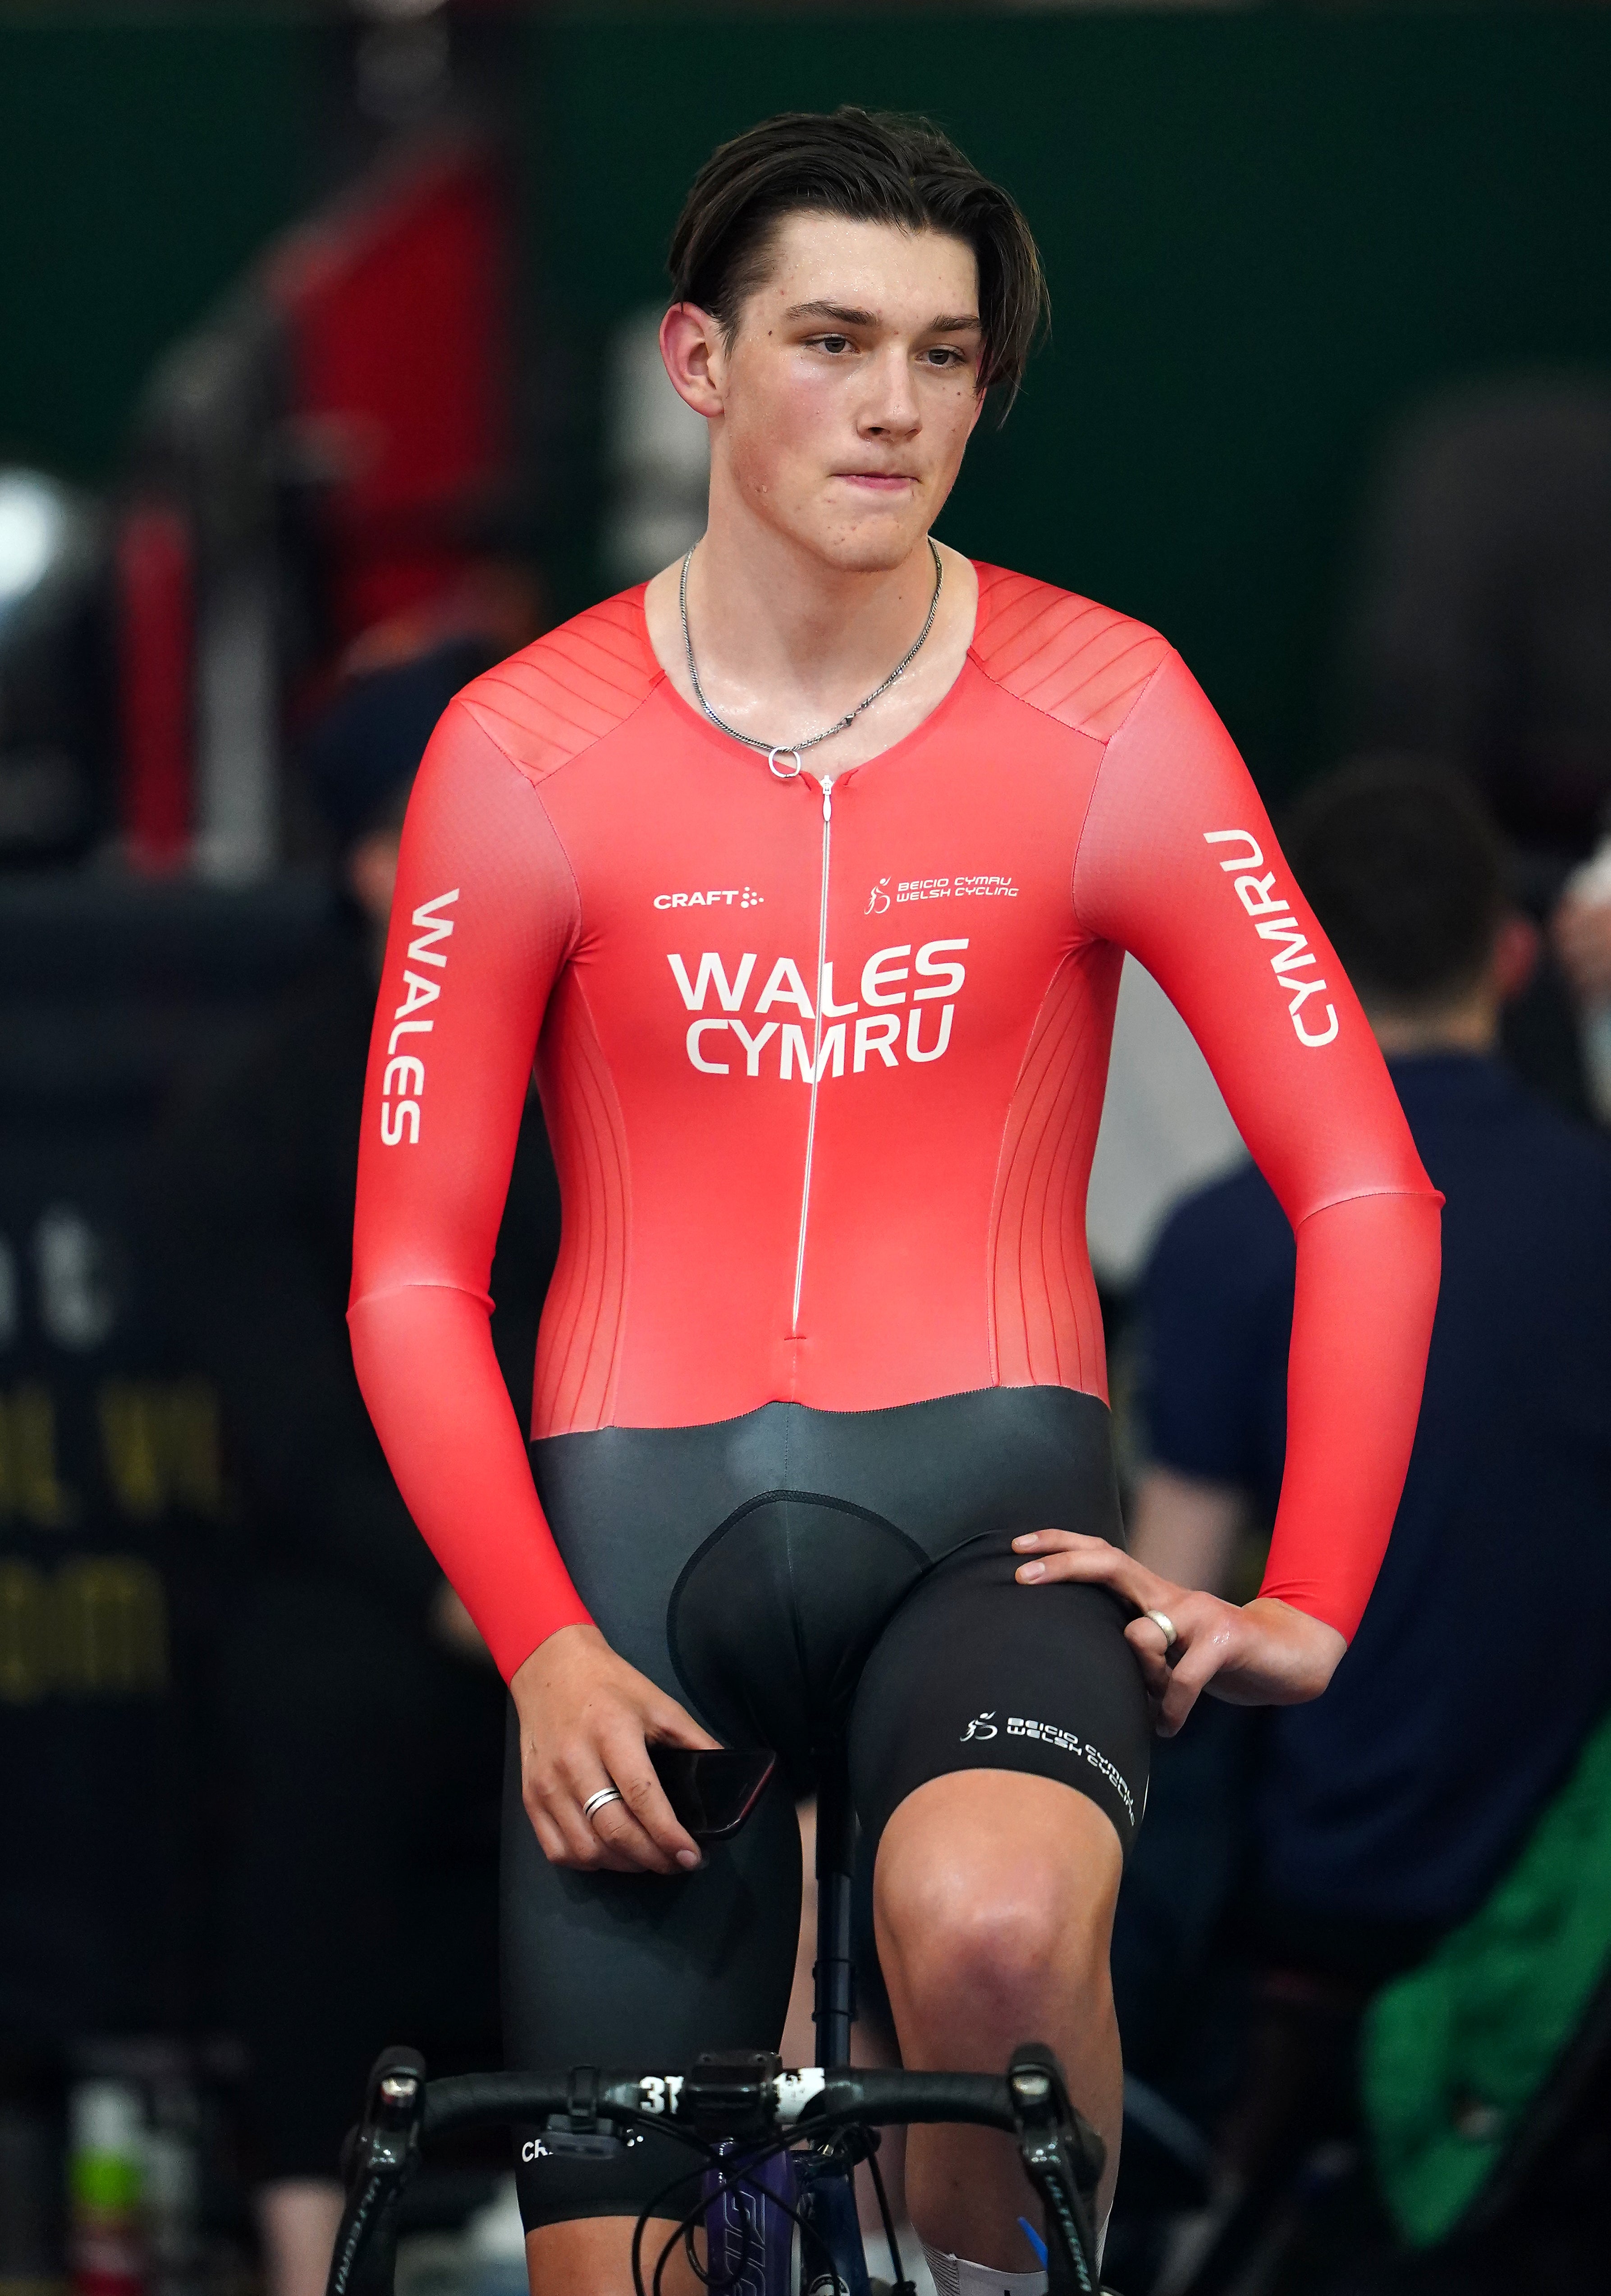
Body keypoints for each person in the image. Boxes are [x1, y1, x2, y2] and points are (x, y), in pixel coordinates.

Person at [348, 110, 1442, 2296]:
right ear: (698, 360)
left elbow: (1367, 1176)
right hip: (632, 1579)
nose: (895, 404)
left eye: (945, 357)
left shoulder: (1109, 704)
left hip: (992, 1521)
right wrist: (544, 1642)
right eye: (835, 340)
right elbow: (410, 1267)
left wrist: (1315, 1582)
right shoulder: (521, 744)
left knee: (997, 1932)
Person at [163, 640, 559, 2296]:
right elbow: (289, 1425)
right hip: (380, 1590)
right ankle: (310, 2258)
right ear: (376, 860)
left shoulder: (613, 1059)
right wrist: (481, 1592)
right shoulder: (262, 1103)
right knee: (316, 1728)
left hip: (604, 1565)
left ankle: (671, 2226)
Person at [1132, 760, 1611, 1980]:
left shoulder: (1226, 1237)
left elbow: (1165, 1616)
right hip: (1569, 1884)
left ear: (1298, 978)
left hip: (1330, 1874)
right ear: (1511, 958)